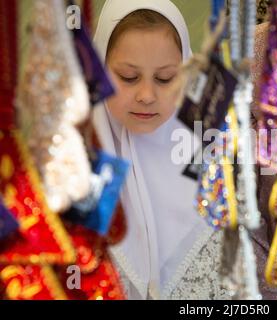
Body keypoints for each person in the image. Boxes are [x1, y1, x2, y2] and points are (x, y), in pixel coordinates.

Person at [92, 0, 229, 300]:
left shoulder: (218, 160)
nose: (146, 95)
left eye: (165, 78)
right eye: (128, 77)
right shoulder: (72, 168)